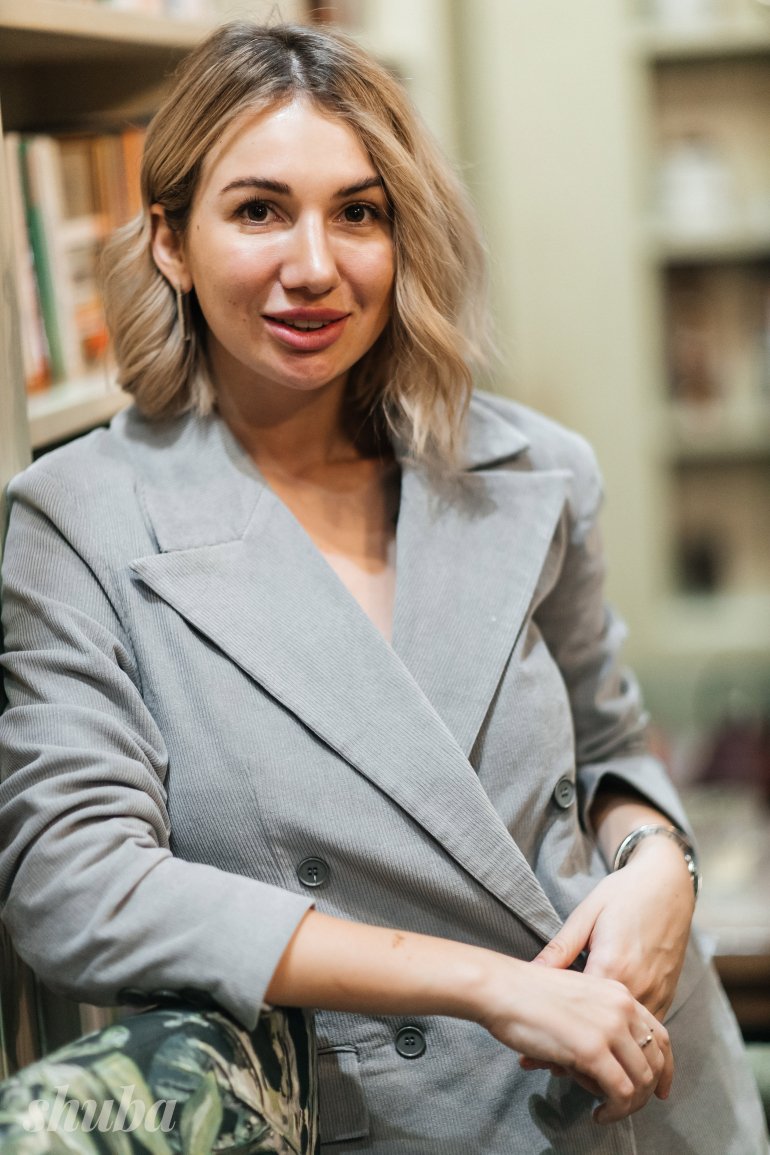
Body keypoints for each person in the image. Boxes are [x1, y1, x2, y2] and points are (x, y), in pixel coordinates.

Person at [0, 20, 766, 1155]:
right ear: (170, 241)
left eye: (358, 212)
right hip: (411, 1117)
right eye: (260, 210)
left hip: (651, 1086)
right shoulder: (81, 520)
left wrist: (663, 868)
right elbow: (76, 884)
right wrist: (485, 985)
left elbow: (607, 747)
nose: (315, 265)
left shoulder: (535, 469)